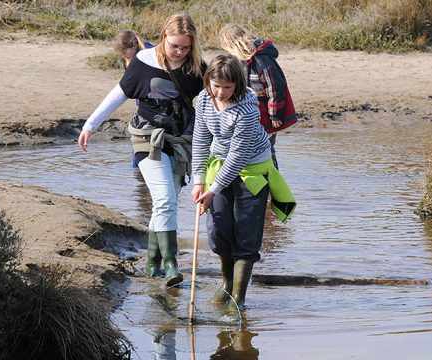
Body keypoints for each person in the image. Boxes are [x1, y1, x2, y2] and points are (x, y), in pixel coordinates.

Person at [78, 13, 206, 287]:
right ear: (163, 39)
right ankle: (171, 264)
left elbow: (215, 98)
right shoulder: (143, 63)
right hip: (147, 137)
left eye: (186, 47)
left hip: (181, 141)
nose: (180, 52)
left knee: (166, 202)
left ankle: (152, 262)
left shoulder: (196, 67)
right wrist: (90, 125)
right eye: (175, 46)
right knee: (164, 200)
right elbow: (118, 94)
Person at [191, 55, 295, 311]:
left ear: (237, 84)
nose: (221, 92)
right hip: (219, 165)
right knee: (218, 232)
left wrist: (213, 189)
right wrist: (198, 180)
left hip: (253, 171)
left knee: (245, 236)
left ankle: (239, 296)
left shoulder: (247, 109)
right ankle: (226, 284)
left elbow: (238, 157)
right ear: (208, 82)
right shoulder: (204, 99)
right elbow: (201, 139)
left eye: (227, 87)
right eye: (216, 86)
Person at [218, 23, 297, 169]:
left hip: (267, 116)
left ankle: (273, 183)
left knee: (267, 149)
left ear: (233, 45)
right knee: (250, 148)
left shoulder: (261, 59)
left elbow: (275, 87)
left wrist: (275, 115)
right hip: (253, 113)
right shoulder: (241, 61)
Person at [112, 30, 154, 168]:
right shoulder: (136, 55)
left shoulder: (148, 55)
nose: (124, 56)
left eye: (124, 52)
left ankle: (140, 180)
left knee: (140, 156)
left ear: (135, 45)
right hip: (143, 107)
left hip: (153, 110)